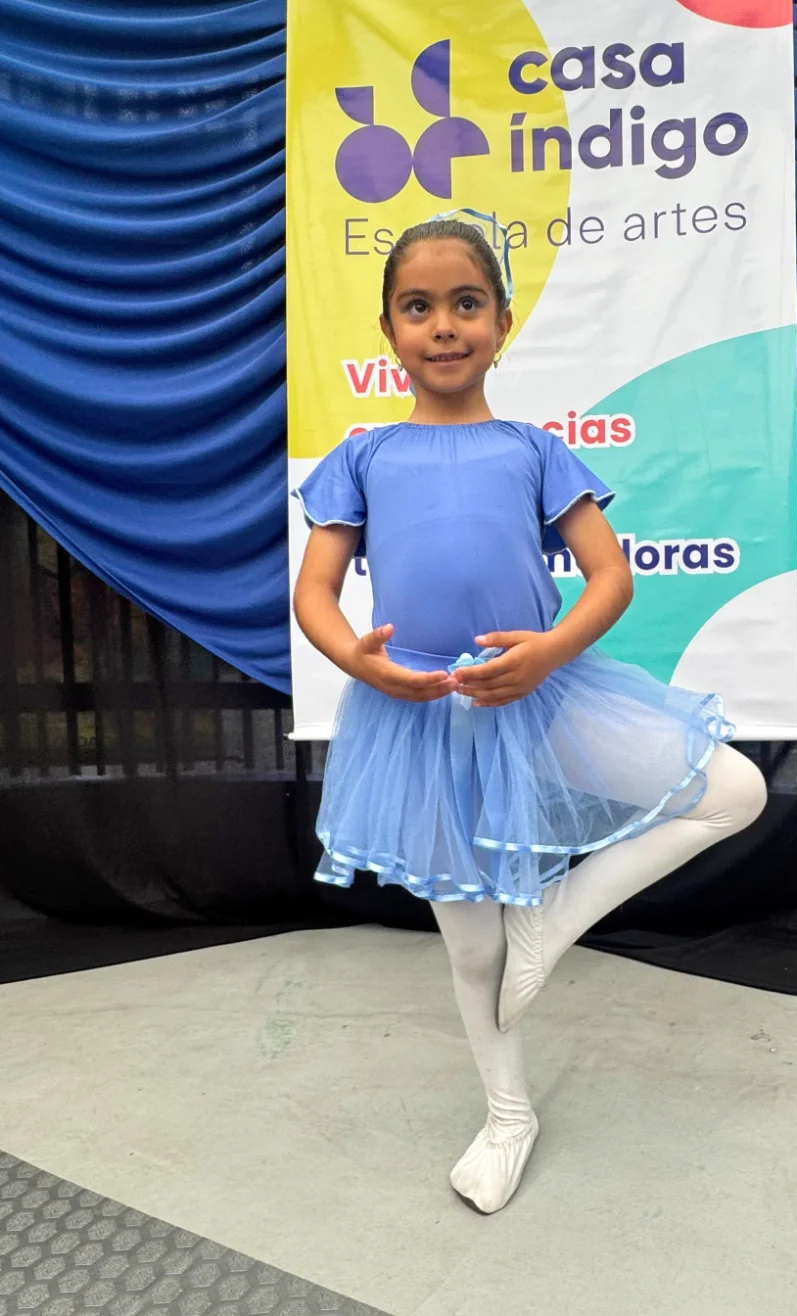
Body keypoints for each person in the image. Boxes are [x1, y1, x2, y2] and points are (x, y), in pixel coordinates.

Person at [292, 213, 768, 1216]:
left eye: (466, 303)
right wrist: (355, 661)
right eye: (418, 307)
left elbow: (609, 576)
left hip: (539, 697)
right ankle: (507, 1116)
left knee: (734, 790)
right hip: (422, 719)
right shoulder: (363, 458)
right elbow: (316, 591)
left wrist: (548, 652)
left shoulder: (535, 450)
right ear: (388, 332)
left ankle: (555, 918)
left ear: (502, 324)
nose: (444, 325)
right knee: (473, 949)